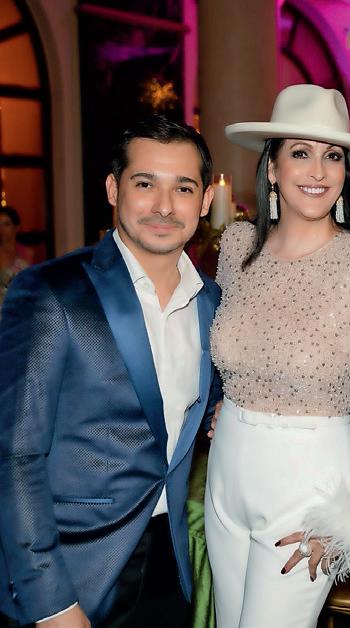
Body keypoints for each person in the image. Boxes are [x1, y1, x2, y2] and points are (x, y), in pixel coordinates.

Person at [203, 84, 350, 628]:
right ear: (272, 167)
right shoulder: (237, 247)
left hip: (308, 488)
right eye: (301, 153)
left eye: (332, 156)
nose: (318, 171)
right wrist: (223, 405)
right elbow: (232, 350)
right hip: (225, 476)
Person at [0, 115, 222, 627]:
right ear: (112, 189)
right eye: (145, 184)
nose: (164, 206)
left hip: (169, 565)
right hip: (71, 571)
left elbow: (212, 403)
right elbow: (15, 455)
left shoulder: (211, 302)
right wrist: (50, 602)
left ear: (205, 200)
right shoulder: (51, 291)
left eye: (182, 188)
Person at [0, 206, 30, 311]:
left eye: (6, 224)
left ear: (16, 228)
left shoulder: (26, 253)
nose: (1, 229)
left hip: (20, 309)